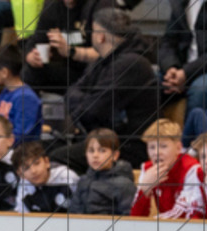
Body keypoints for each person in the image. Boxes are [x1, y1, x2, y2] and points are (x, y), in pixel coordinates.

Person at [54, 8, 159, 172]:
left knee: (57, 158)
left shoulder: (131, 64)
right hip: (104, 138)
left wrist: (82, 102)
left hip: (128, 145)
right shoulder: (105, 60)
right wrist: (84, 102)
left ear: (100, 36)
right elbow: (72, 92)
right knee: (45, 151)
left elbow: (92, 110)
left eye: (93, 31)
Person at [20, 0, 98, 94]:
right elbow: (35, 41)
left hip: (93, 72)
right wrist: (31, 56)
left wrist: (71, 51)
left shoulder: (95, 5)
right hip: (70, 70)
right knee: (29, 72)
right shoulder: (52, 6)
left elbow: (106, 53)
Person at [130, 118, 200, 217]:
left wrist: (155, 222)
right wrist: (144, 189)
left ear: (178, 148)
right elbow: (136, 217)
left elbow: (184, 214)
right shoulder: (147, 169)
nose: (156, 153)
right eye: (152, 147)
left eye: (163, 146)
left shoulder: (192, 169)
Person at [0, 43, 42, 144]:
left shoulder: (26, 98)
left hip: (17, 153)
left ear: (4, 73)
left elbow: (21, 137)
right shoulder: (6, 92)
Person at [67, 127, 136, 215]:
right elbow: (74, 212)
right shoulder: (83, 181)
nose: (95, 155)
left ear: (115, 155)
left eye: (102, 151)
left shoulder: (124, 185)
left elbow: (129, 216)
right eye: (91, 151)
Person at [12, 141, 78, 212]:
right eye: (26, 168)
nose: (33, 171)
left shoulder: (67, 177)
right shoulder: (24, 188)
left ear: (46, 162)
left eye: (37, 163)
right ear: (20, 174)